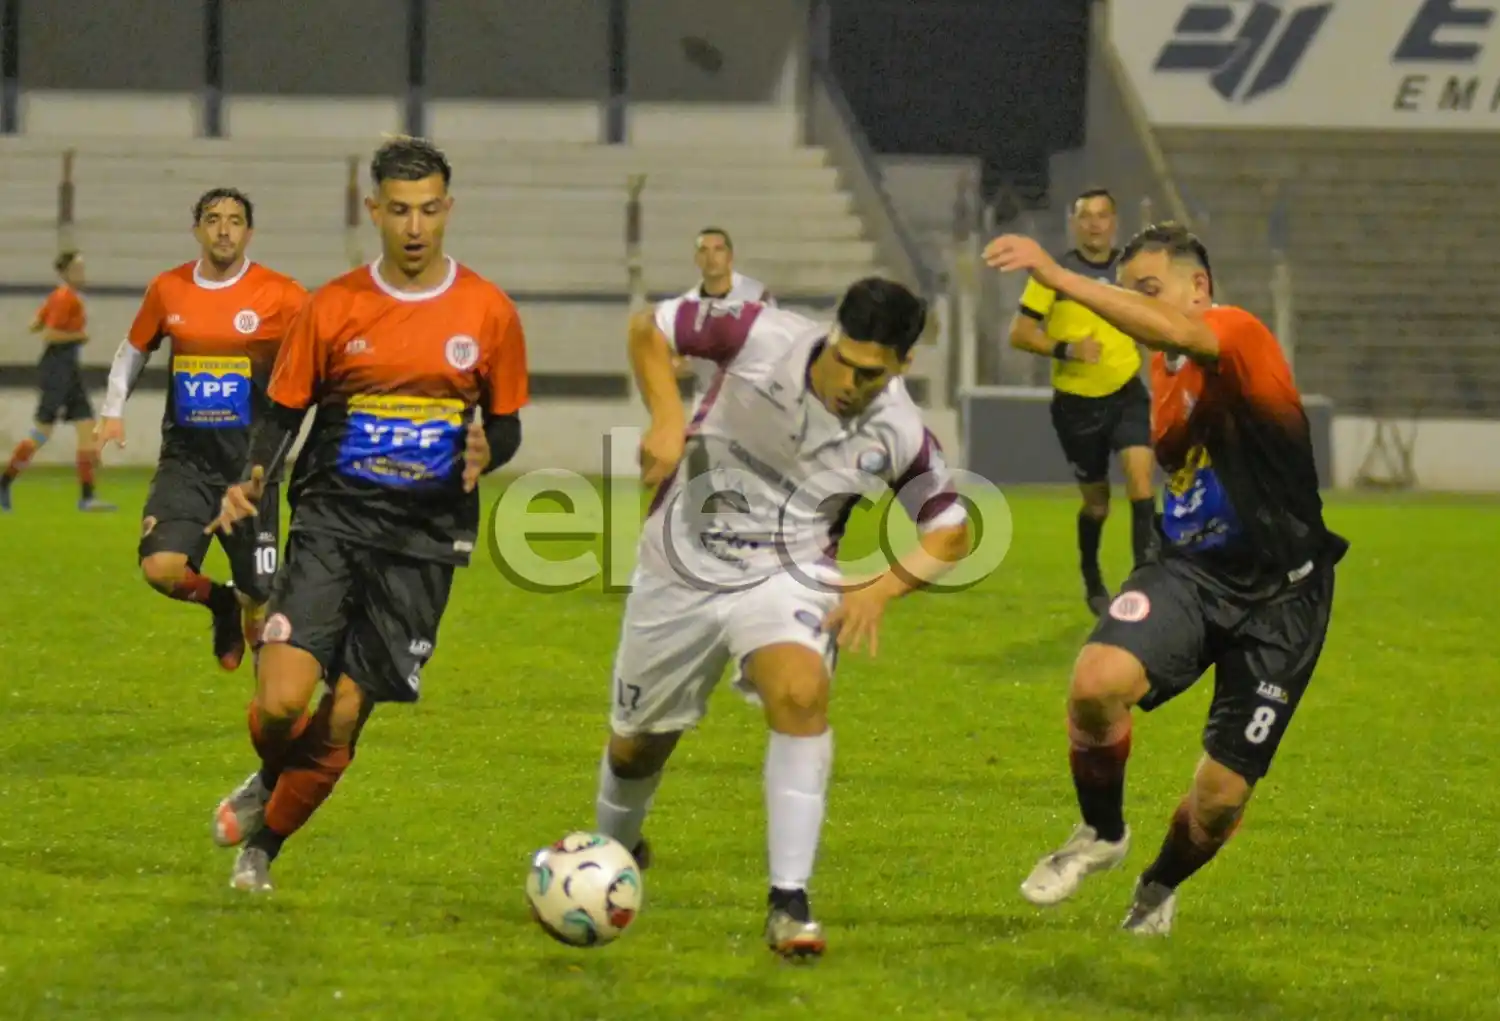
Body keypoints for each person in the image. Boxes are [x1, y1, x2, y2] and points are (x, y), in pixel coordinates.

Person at [984, 221, 1347, 935]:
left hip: (1284, 599)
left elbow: (1177, 340)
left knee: (1218, 799)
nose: (1135, 308)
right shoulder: (1160, 370)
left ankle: (1158, 884)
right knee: (1095, 684)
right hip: (1190, 571)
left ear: (1198, 288)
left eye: (1147, 291)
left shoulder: (1237, 334)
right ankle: (1102, 832)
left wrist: (1059, 279)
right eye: (1129, 294)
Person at [594, 279, 972, 959]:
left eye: (874, 372)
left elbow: (951, 528)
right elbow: (649, 327)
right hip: (678, 567)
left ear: (902, 366)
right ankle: (614, 850)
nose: (853, 383)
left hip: (788, 575)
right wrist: (666, 417)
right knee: (636, 745)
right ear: (831, 334)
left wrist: (878, 591)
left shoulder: (899, 428)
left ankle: (788, 902)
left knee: (801, 692)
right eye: (846, 361)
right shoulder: (756, 335)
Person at [205, 137, 529, 892]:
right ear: (373, 209)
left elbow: (506, 423)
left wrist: (490, 450)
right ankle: (269, 767)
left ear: (446, 209)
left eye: (428, 210)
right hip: (331, 521)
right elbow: (283, 410)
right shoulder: (334, 305)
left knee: (344, 714)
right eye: (399, 211)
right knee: (284, 703)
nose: (415, 227)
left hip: (423, 540)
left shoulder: (489, 311)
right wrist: (251, 478)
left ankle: (266, 845)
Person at [97, 188, 308, 672]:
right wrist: (113, 409)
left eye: (234, 220)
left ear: (249, 232)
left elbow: (317, 356)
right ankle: (219, 603)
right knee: (161, 568)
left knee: (262, 597)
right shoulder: (168, 289)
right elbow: (134, 349)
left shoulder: (282, 294)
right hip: (186, 462)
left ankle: (271, 713)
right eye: (213, 219)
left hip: (251, 468)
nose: (224, 229)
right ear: (197, 229)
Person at [1009, 189, 1156, 615]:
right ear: (1075, 224)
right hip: (1077, 406)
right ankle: (1092, 577)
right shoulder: (1052, 274)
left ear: (1114, 221)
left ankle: (1144, 581)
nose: (1094, 223)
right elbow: (1019, 334)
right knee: (1097, 504)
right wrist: (1067, 349)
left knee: (1141, 479)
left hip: (1127, 393)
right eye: (1085, 216)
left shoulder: (1133, 272)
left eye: (1102, 215)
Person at [0, 250, 115, 512]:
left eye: (82, 268)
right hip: (57, 370)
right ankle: (3, 483)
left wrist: (58, 326)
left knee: (86, 428)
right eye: (77, 269)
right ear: (65, 273)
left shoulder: (59, 296)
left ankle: (87, 498)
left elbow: (34, 325)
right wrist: (78, 336)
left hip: (69, 369)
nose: (82, 274)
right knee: (42, 432)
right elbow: (50, 335)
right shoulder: (65, 298)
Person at [675, 227, 773, 399]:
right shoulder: (686, 306)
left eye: (718, 249)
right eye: (704, 251)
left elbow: (773, 347)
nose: (711, 258)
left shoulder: (757, 295)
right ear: (697, 259)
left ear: (730, 256)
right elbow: (679, 362)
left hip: (753, 400)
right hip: (709, 404)